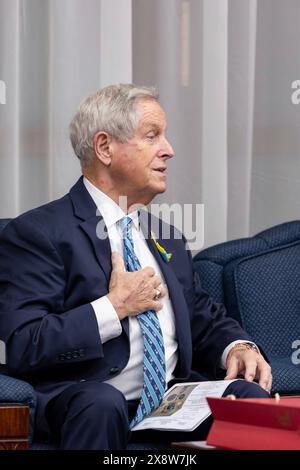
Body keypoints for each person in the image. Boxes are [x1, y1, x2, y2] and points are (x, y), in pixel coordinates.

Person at [0, 84, 272, 450]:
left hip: (169, 402)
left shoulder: (166, 236)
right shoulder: (39, 232)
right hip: (87, 401)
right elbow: (24, 343)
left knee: (248, 398)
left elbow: (200, 316)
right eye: (152, 135)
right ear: (105, 148)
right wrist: (114, 307)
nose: (169, 150)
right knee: (102, 404)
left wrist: (238, 347)